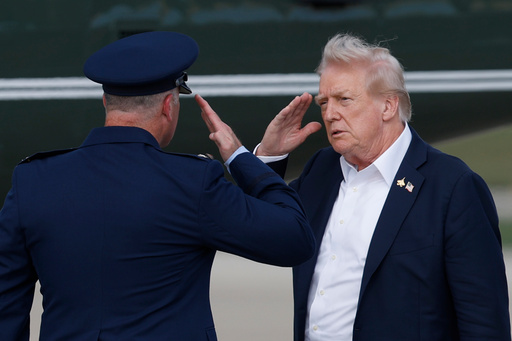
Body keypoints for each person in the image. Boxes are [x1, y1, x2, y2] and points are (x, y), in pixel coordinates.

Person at [0, 31, 315, 341]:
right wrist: (240, 157)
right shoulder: (192, 182)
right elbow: (293, 238)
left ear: (105, 101)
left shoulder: (32, 180)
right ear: (169, 105)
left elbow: (6, 305)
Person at [255, 33, 511, 340]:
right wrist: (269, 157)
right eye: (324, 102)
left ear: (388, 106)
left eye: (344, 99)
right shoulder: (322, 170)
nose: (329, 113)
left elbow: (484, 322)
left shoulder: (453, 187)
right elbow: (264, 232)